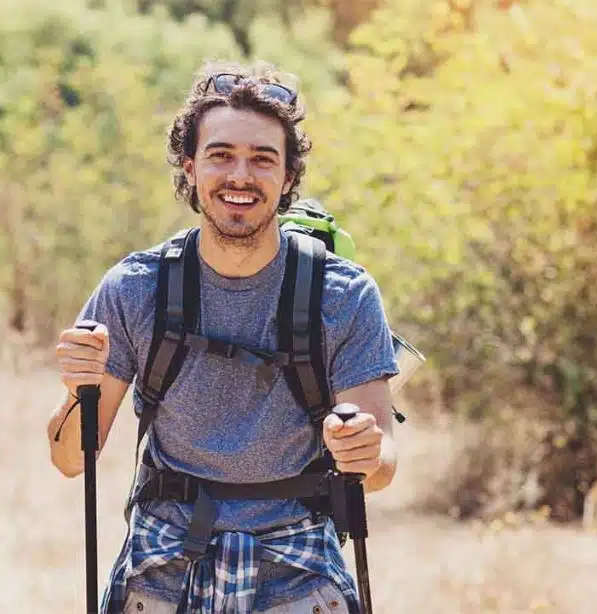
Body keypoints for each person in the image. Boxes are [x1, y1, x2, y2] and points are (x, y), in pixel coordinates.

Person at [49, 61, 401, 613]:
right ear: (190, 168)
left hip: (298, 563)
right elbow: (72, 460)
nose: (240, 176)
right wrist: (79, 389)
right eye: (220, 155)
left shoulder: (342, 294)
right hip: (163, 564)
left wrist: (365, 452)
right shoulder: (135, 288)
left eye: (263, 159)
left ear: (287, 178)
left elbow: (378, 472)